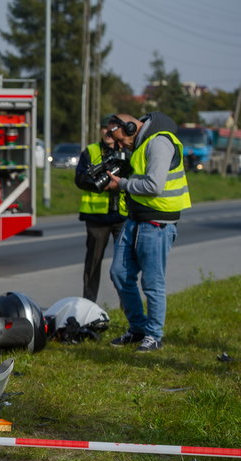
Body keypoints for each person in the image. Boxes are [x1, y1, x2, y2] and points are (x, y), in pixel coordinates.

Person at [104, 112, 191, 352]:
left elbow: (154, 185)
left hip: (157, 222)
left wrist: (121, 183)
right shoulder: (142, 143)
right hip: (136, 219)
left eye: (121, 140)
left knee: (152, 283)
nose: (120, 146)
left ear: (131, 128)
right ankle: (138, 328)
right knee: (120, 273)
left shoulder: (159, 143)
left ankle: (154, 336)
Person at [74, 115, 128, 302]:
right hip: (96, 218)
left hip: (122, 217)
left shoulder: (128, 151)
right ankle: (89, 306)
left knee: (124, 266)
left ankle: (128, 308)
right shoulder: (91, 151)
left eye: (111, 129)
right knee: (93, 264)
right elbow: (79, 179)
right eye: (104, 128)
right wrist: (101, 184)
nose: (107, 132)